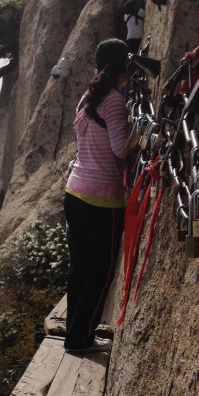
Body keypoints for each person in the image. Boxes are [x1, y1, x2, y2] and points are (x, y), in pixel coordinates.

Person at [64, 39, 131, 354]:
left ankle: (74, 332)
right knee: (101, 272)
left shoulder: (88, 96)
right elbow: (120, 149)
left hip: (75, 192)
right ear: (123, 68)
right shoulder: (115, 101)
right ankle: (81, 339)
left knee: (80, 268)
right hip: (103, 200)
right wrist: (136, 136)